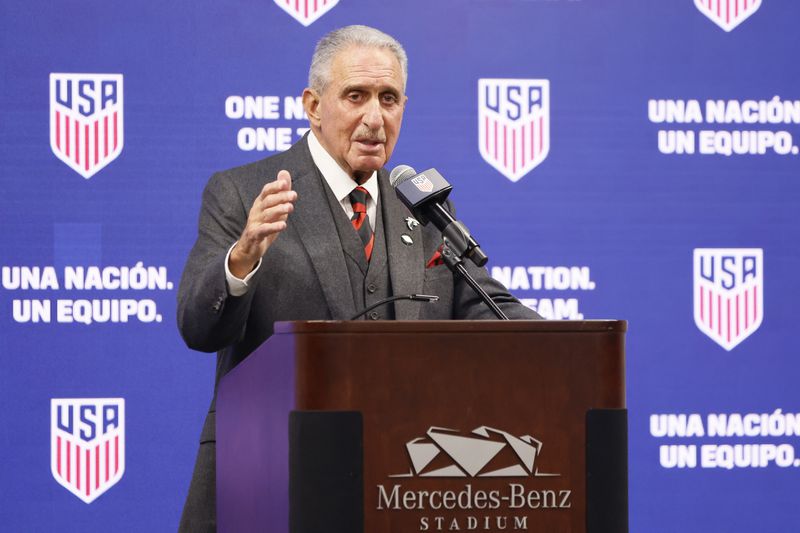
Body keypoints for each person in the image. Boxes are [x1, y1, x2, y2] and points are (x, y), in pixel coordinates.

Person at [176, 24, 540, 532]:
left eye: (389, 98)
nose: (375, 118)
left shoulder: (425, 208)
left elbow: (487, 304)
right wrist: (242, 259)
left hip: (399, 489)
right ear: (313, 105)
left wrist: (568, 343)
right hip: (268, 482)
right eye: (356, 96)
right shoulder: (243, 194)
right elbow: (199, 327)